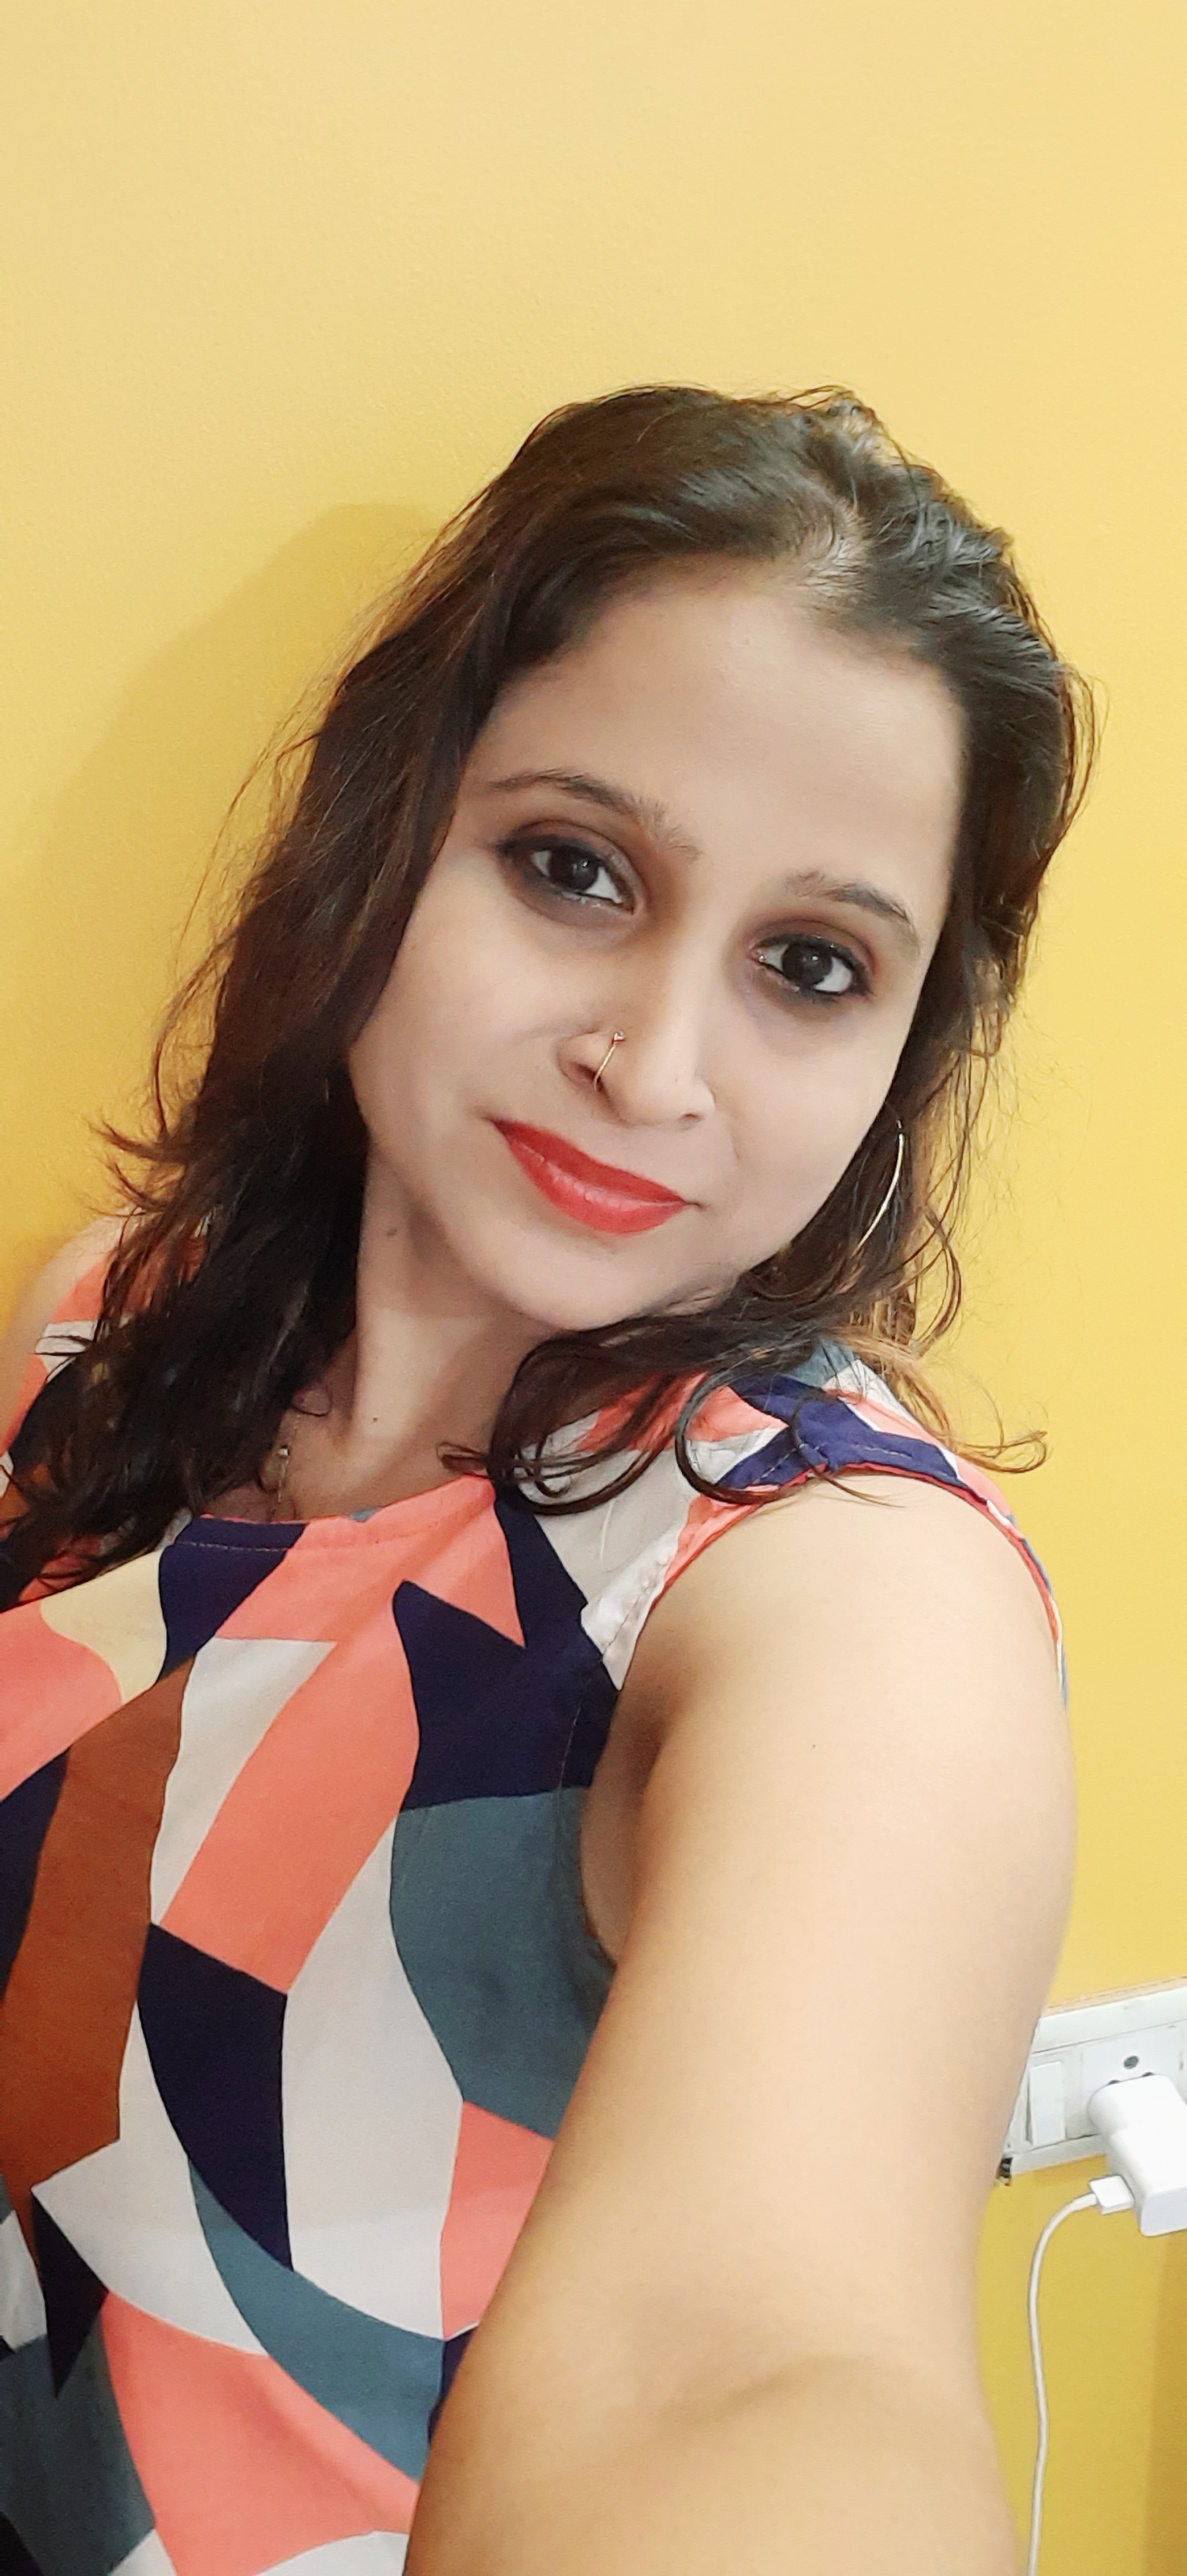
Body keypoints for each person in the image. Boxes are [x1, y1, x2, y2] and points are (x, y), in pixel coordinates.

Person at [0, 386, 1091, 2576]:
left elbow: (749, 2371)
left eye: (810, 967)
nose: (653, 1063)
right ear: (389, 821)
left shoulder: (838, 1589)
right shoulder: (114, 1324)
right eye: (574, 867)